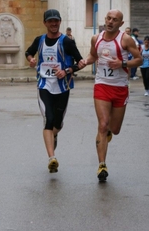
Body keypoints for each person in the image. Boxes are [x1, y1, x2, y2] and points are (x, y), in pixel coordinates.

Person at [80, 9, 142, 182]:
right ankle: (102, 165)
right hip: (102, 85)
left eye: (115, 20)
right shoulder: (96, 38)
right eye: (108, 18)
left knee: (114, 129)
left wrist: (122, 63)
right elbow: (93, 56)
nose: (110, 22)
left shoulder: (125, 39)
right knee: (102, 124)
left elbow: (139, 59)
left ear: (121, 24)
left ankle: (108, 133)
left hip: (120, 87)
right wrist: (85, 61)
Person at [25, 9, 85, 174]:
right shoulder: (39, 40)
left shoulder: (66, 42)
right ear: (45, 23)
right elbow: (28, 52)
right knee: (48, 120)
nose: (53, 24)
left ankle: (54, 135)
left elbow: (80, 63)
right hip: (44, 85)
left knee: (57, 123)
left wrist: (66, 71)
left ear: (59, 22)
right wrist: (31, 59)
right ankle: (52, 159)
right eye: (50, 21)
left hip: (63, 87)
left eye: (56, 21)